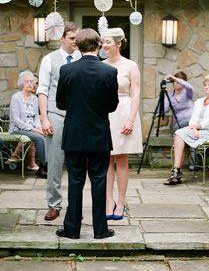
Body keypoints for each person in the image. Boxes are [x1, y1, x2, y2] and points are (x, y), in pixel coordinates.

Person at [55, 28, 119, 240]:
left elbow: (60, 103)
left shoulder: (67, 70)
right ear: (99, 45)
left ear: (77, 46)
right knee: (99, 181)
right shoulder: (109, 72)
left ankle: (72, 229)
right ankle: (100, 229)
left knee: (75, 181)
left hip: (74, 134)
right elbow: (112, 105)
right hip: (99, 134)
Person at [37, 22, 81, 222]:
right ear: (61, 38)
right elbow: (43, 90)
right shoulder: (49, 60)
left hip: (79, 117)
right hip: (56, 114)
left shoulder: (83, 58)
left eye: (77, 38)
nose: (75, 42)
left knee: (77, 164)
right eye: (72, 38)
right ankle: (54, 205)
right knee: (55, 162)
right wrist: (44, 118)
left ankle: (75, 207)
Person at [102, 28, 142, 221]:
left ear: (119, 43)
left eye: (108, 41)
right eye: (103, 42)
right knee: (106, 159)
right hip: (105, 113)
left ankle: (122, 201)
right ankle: (108, 201)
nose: (104, 45)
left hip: (124, 110)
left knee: (122, 159)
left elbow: (136, 93)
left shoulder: (130, 65)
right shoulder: (101, 65)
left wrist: (131, 119)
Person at [164, 74, 209, 186]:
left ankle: (177, 172)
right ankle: (176, 171)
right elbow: (193, 119)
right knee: (179, 133)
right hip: (197, 131)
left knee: (180, 132)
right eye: (205, 85)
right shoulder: (199, 102)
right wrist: (193, 129)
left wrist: (194, 127)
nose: (206, 87)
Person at [6, 70, 47, 178]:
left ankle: (44, 166)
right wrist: (33, 130)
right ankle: (45, 166)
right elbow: (16, 120)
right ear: (21, 83)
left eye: (31, 81)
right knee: (39, 138)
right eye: (26, 81)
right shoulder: (16, 97)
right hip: (17, 129)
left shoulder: (34, 98)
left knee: (46, 135)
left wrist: (39, 128)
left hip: (32, 129)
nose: (29, 84)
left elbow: (36, 118)